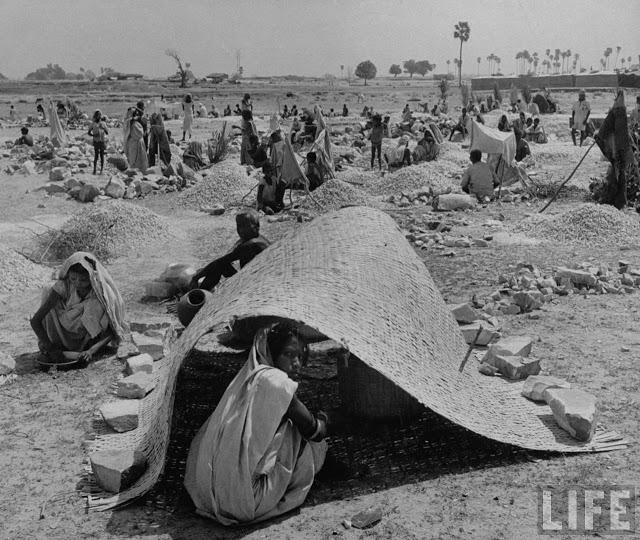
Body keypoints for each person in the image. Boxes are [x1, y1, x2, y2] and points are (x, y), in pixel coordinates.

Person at [184, 322, 328, 525]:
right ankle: (313, 473)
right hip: (247, 502)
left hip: (210, 496)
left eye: (300, 356)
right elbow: (315, 431)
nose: (297, 363)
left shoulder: (246, 380)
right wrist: (326, 420)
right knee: (299, 432)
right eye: (288, 354)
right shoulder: (275, 381)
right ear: (272, 353)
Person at [30, 252, 127, 366]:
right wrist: (50, 348)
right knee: (49, 297)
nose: (78, 283)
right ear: (68, 275)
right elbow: (36, 320)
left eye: (83, 280)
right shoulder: (64, 286)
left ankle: (85, 348)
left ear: (91, 277)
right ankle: (59, 346)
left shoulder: (101, 294)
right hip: (61, 338)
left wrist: (91, 351)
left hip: (88, 342)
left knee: (94, 305)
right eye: (73, 278)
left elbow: (112, 330)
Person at [189, 209, 270, 291]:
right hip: (251, 277)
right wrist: (203, 271)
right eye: (239, 226)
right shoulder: (249, 239)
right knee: (219, 266)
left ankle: (199, 293)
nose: (241, 230)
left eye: (245, 226)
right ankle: (201, 291)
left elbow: (222, 261)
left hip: (257, 282)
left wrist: (196, 277)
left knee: (218, 265)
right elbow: (226, 257)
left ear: (257, 226)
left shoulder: (253, 244)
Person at [123, 107, 149, 171]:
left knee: (138, 159)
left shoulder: (136, 122)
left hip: (137, 143)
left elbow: (141, 133)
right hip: (133, 143)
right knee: (133, 159)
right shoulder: (129, 122)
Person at [88, 110, 108, 175]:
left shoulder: (103, 123)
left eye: (100, 115)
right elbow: (89, 133)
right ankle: (94, 170)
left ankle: (101, 170)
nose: (99, 116)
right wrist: (94, 135)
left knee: (102, 155)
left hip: (102, 141)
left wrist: (103, 128)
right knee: (96, 155)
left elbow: (107, 133)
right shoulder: (93, 124)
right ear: (95, 116)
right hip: (96, 141)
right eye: (97, 115)